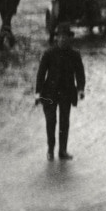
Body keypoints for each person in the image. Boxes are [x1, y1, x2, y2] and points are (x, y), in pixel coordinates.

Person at [35, 24, 86, 160]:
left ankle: (62, 151)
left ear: (69, 38)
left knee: (64, 122)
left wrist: (81, 89)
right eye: (60, 37)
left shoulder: (74, 54)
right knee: (51, 122)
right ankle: (50, 150)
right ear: (57, 38)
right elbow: (41, 74)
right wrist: (37, 92)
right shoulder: (49, 53)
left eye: (65, 37)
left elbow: (80, 73)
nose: (62, 39)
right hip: (49, 94)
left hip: (66, 93)